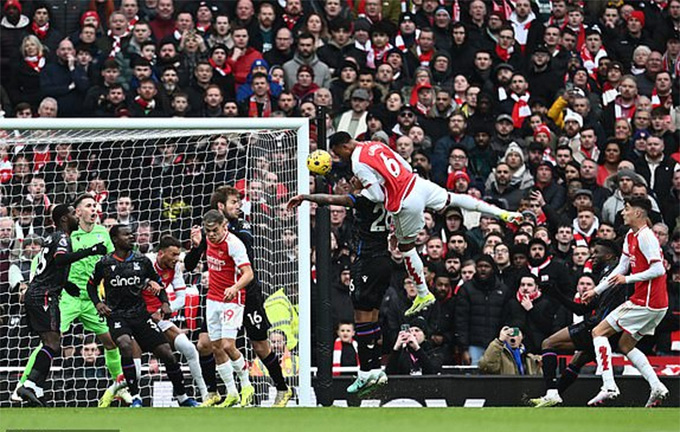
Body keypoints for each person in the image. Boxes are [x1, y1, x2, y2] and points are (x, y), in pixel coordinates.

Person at [328, 132, 522, 318]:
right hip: (417, 183)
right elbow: (404, 164)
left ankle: (423, 293)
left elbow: (377, 196)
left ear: (344, 146)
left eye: (338, 153)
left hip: (405, 200)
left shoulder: (357, 162)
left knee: (406, 247)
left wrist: (358, 194)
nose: (340, 158)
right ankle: (502, 213)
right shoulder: (375, 145)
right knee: (454, 198)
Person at [15, 194, 128, 407]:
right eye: (88, 206)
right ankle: (24, 384)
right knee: (50, 341)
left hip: (91, 298)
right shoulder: (66, 237)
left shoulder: (102, 233)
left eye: (95, 205)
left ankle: (120, 389)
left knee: (110, 340)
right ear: (76, 212)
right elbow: (51, 261)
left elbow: (113, 263)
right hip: (63, 297)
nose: (94, 209)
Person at [185, 187, 292, 407]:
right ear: (221, 207)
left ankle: (282, 388)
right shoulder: (209, 230)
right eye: (234, 202)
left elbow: (245, 260)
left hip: (247, 293)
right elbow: (189, 264)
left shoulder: (241, 228)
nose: (239, 205)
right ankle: (214, 392)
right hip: (219, 294)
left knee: (260, 346)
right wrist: (197, 247)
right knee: (204, 344)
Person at [288, 176, 390, 396]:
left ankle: (364, 374)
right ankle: (376, 370)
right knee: (373, 315)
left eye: (357, 179)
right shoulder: (389, 196)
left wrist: (306, 196)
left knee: (361, 318)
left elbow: (330, 199)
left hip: (368, 261)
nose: (353, 181)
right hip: (385, 260)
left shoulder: (363, 199)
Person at [87, 225, 199, 407]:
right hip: (117, 315)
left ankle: (183, 397)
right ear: (115, 239)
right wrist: (98, 303)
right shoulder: (104, 263)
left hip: (140, 314)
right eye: (126, 235)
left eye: (132, 234)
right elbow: (91, 285)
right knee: (124, 344)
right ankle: (135, 396)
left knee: (167, 354)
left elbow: (158, 283)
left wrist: (164, 302)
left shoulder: (142, 260)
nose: (131, 237)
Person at [582, 198, 669, 407]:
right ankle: (657, 385)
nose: (623, 213)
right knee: (625, 344)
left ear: (638, 213)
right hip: (655, 304)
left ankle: (609, 385)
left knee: (598, 332)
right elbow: (620, 268)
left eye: (627, 209)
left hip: (646, 302)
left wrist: (628, 280)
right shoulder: (631, 236)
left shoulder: (646, 236)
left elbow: (659, 270)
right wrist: (596, 290)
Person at [529, 240, 626, 407]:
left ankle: (551, 392)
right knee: (577, 360)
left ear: (609, 255)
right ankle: (554, 398)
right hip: (609, 330)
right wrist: (556, 293)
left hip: (599, 327)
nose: (592, 256)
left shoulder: (615, 276)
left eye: (597, 252)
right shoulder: (605, 278)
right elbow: (581, 309)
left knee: (548, 343)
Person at [200, 210, 254, 408]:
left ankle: (247, 385)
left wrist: (234, 287)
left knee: (228, 346)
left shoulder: (234, 244)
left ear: (224, 226)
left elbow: (249, 274)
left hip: (232, 298)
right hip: (213, 298)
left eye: (215, 230)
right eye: (208, 231)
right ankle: (231, 392)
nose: (211, 234)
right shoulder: (207, 239)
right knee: (215, 347)